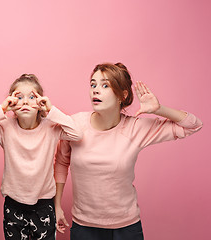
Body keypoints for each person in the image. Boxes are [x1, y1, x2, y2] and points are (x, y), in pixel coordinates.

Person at [54, 63, 203, 240]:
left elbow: (193, 125)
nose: (95, 90)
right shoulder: (75, 124)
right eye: (93, 85)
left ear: (122, 95)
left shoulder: (135, 128)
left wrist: (158, 109)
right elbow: (61, 163)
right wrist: (57, 206)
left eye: (105, 85)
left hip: (126, 228)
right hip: (84, 227)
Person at [0, 74, 82, 240]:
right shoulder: (5, 128)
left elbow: (77, 134)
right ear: (11, 103)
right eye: (19, 97)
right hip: (14, 205)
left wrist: (51, 110)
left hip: (44, 205)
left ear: (40, 103)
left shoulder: (51, 128)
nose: (26, 102)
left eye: (32, 97)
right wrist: (2, 109)